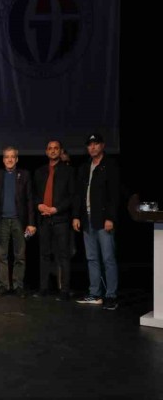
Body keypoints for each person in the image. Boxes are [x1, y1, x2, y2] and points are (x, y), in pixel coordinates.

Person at [73, 133, 120, 310]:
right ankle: (95, 293)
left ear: (102, 146)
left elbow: (114, 194)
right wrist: (76, 216)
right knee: (91, 258)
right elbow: (78, 194)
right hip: (87, 218)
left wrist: (110, 218)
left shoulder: (110, 165)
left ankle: (111, 295)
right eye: (90, 144)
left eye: (96, 144)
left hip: (103, 219)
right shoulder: (85, 167)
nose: (92, 147)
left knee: (108, 258)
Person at [33, 140, 75, 301]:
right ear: (46, 151)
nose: (53, 151)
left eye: (56, 148)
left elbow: (72, 196)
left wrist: (56, 209)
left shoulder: (68, 171)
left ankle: (64, 290)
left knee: (63, 256)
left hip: (61, 219)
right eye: (50, 148)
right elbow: (34, 194)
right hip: (44, 219)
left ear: (60, 151)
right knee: (44, 255)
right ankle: (43, 288)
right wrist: (39, 205)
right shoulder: (40, 172)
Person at [0, 146, 35, 298]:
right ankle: (3, 285)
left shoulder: (25, 175)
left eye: (12, 157)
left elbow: (30, 200)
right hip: (2, 221)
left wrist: (31, 222)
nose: (9, 159)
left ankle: (18, 286)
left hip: (19, 221)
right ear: (3, 159)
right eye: (7, 157)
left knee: (20, 255)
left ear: (17, 159)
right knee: (1, 255)